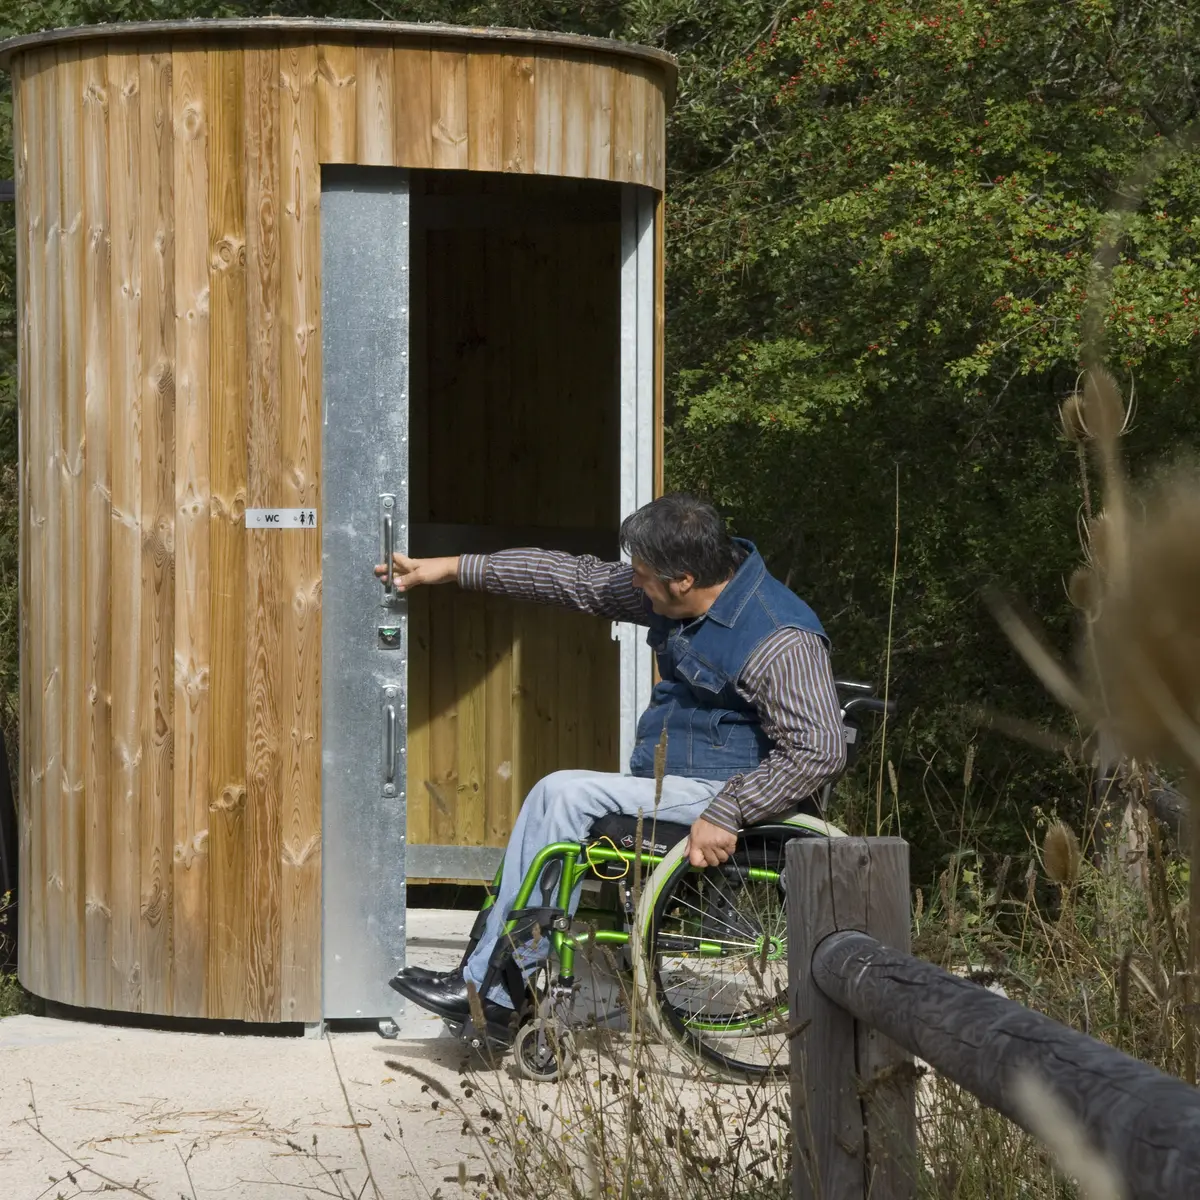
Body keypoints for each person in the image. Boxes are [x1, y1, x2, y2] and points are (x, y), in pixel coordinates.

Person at [380, 493, 845, 1030]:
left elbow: (820, 749)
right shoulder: (677, 593)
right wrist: (452, 568)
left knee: (563, 793)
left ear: (684, 579)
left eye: (643, 576)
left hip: (727, 791)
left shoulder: (778, 637)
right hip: (675, 781)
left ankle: (501, 991)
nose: (634, 584)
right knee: (556, 804)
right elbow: (568, 578)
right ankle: (492, 976)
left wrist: (729, 811)